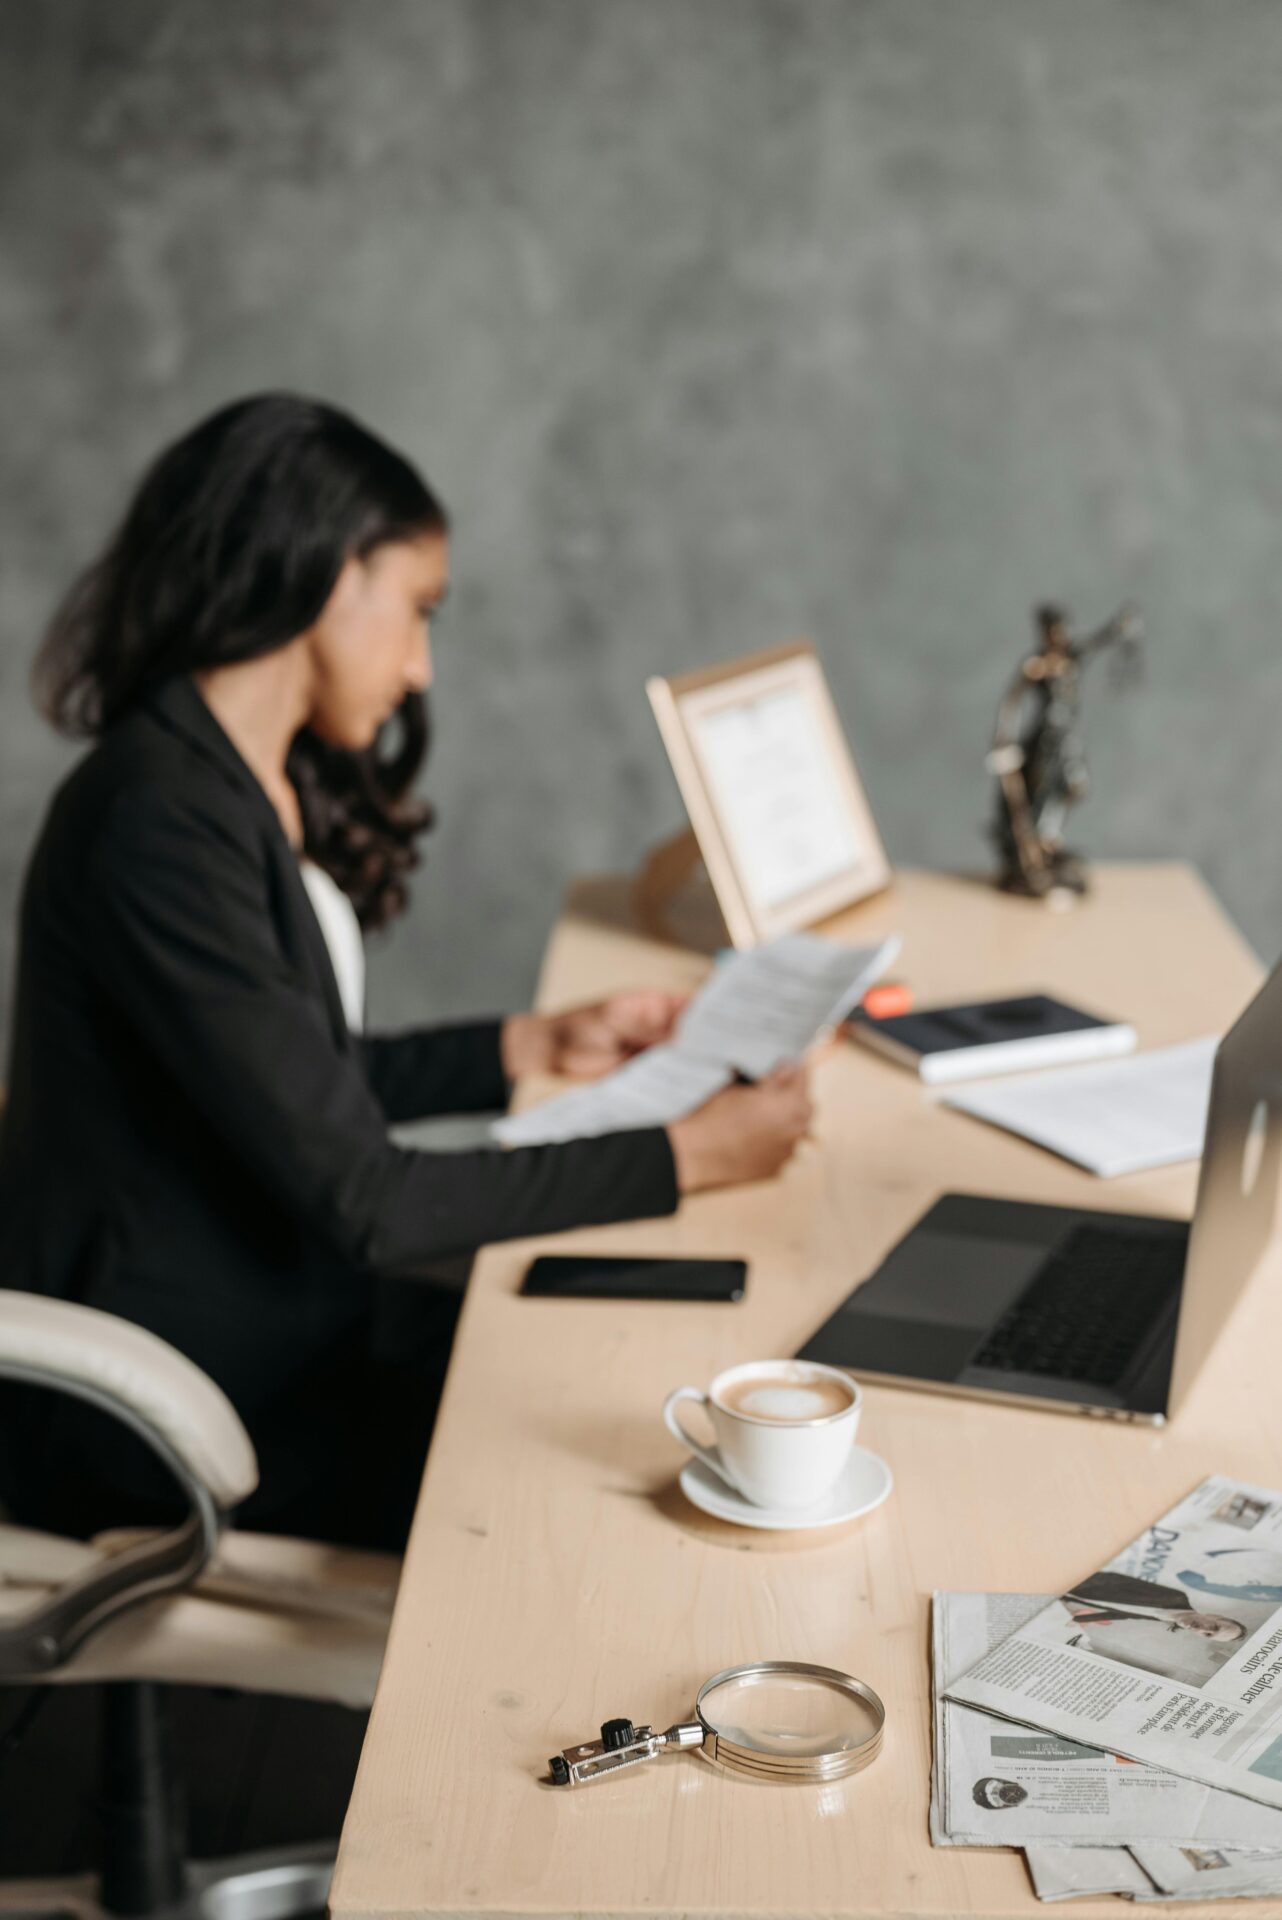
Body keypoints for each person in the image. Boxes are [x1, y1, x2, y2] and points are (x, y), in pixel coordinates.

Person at [0, 394, 811, 1550]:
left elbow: (287, 1080)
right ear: (330, 575)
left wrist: (522, 1049)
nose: (422, 667)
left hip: (282, 1314)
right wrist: (689, 1152)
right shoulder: (156, 823)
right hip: (174, 1402)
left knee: (631, 1374)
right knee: (612, 1484)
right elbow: (368, 1197)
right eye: (418, 609)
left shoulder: (230, 780)